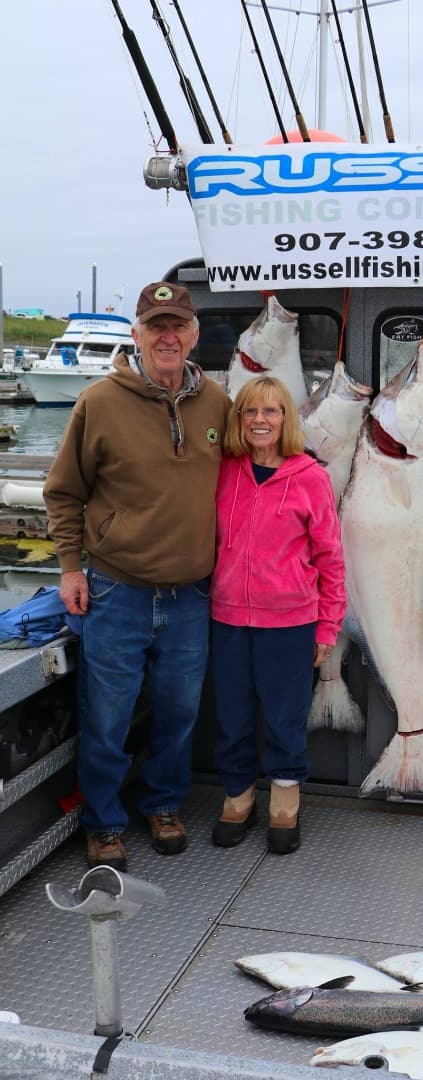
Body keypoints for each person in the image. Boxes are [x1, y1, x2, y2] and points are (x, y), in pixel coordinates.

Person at [43, 282, 230, 871]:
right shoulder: (99, 402)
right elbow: (63, 491)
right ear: (137, 334)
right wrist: (70, 568)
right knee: (108, 715)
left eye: (178, 326)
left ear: (195, 335)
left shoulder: (218, 404)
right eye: (156, 326)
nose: (168, 337)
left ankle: (164, 805)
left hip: (191, 595)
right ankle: (103, 822)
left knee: (178, 713)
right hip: (115, 589)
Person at [209, 375, 346, 854]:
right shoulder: (225, 471)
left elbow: (331, 558)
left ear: (286, 418)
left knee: (286, 719)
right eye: (250, 412)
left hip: (290, 624)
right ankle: (238, 795)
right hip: (227, 619)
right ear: (239, 420)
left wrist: (327, 626)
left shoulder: (310, 477)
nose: (260, 421)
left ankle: (285, 800)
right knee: (232, 716)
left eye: (270, 411)